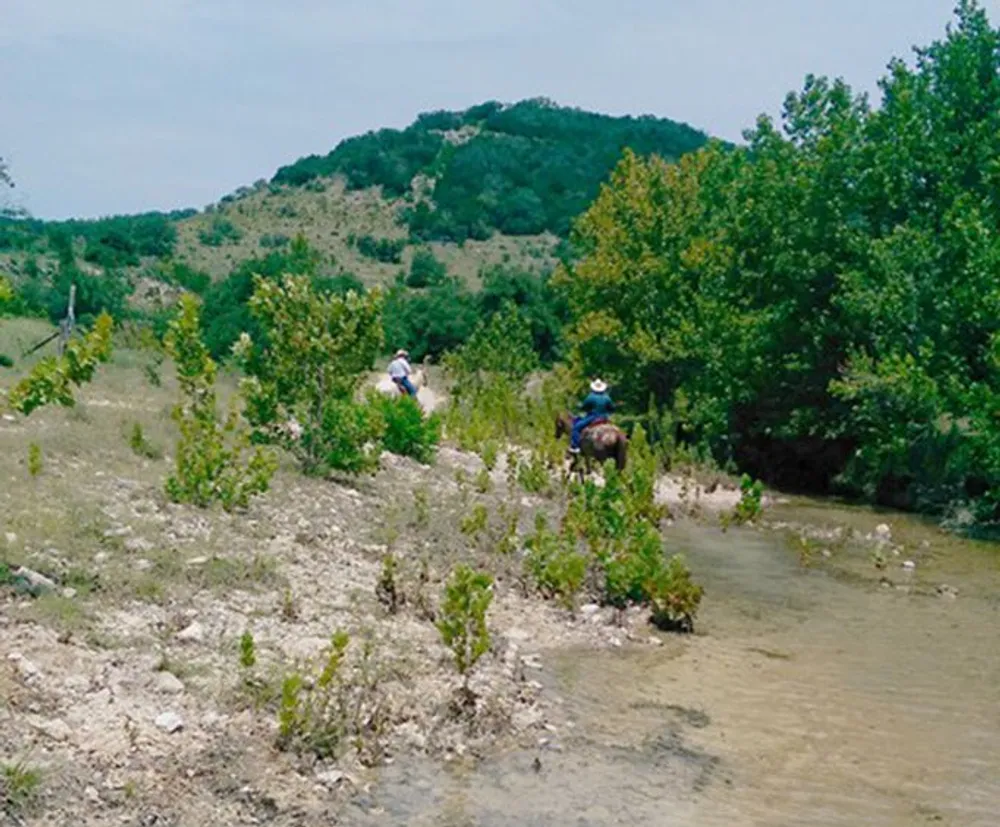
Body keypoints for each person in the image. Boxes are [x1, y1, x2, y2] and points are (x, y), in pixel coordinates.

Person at [570, 379, 614, 452]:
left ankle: (575, 446)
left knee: (576, 428)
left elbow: (584, 407)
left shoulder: (591, 396)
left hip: (593, 417)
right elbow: (612, 409)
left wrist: (579, 407)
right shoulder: (607, 397)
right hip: (604, 418)